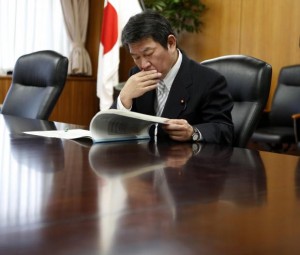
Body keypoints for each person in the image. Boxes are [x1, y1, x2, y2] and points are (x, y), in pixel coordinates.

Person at [111, 10, 234, 145]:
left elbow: (225, 130)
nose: (143, 65)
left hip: (187, 162)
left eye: (148, 53)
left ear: (171, 43)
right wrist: (124, 99)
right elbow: (109, 128)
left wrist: (193, 132)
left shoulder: (209, 80)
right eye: (136, 57)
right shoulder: (136, 75)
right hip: (143, 161)